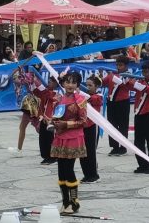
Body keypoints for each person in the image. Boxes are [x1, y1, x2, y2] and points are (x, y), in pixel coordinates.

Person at [49, 70, 88, 215]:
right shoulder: (59, 99)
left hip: (73, 137)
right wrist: (52, 122)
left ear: (78, 84)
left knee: (68, 169)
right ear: (63, 83)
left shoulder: (81, 100)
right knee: (61, 171)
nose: (70, 85)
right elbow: (55, 116)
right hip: (60, 137)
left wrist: (66, 124)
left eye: (73, 82)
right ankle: (65, 202)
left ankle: (74, 202)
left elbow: (83, 121)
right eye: (67, 82)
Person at [129, 61, 149, 174]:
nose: (144, 74)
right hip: (138, 115)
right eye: (143, 72)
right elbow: (129, 87)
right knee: (138, 142)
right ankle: (142, 164)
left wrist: (135, 84)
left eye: (146, 72)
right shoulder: (140, 82)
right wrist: (127, 80)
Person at [102, 56, 132, 156]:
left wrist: (112, 75)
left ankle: (123, 147)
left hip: (123, 103)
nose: (118, 67)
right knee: (112, 125)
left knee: (123, 125)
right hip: (111, 103)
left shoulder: (128, 75)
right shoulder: (112, 75)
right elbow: (102, 82)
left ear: (126, 66)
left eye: (121, 65)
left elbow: (124, 84)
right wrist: (98, 77)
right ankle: (114, 147)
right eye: (117, 65)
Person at [9, 66, 42, 155]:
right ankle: (19, 149)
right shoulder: (30, 76)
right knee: (23, 127)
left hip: (31, 104)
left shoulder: (30, 76)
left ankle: (53, 145)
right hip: (30, 104)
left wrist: (17, 74)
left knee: (38, 128)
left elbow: (20, 81)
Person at [80, 75, 102, 183]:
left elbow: (92, 99)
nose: (87, 87)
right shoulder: (83, 96)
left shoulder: (99, 96)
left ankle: (94, 175)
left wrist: (79, 91)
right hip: (82, 126)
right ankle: (86, 174)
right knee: (82, 151)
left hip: (92, 126)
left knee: (91, 152)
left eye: (90, 85)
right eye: (86, 85)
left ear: (96, 86)